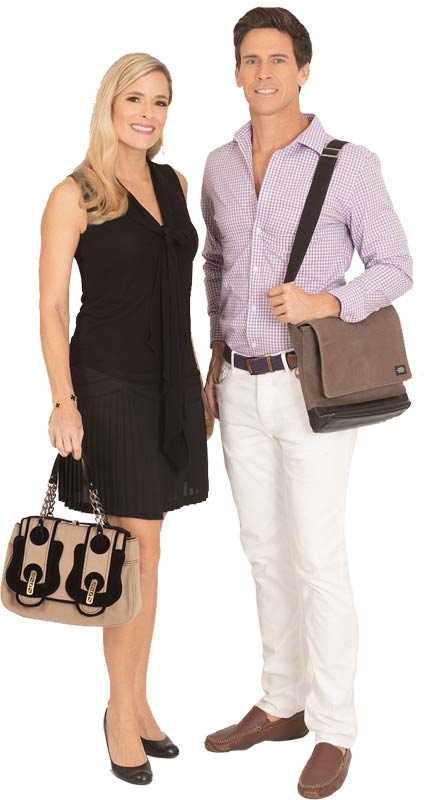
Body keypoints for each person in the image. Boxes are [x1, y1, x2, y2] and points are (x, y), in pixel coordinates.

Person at [201, 6, 412, 797]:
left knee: (319, 557)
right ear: (236, 72)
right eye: (251, 60)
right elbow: (215, 267)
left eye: (278, 60)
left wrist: (327, 302)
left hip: (308, 384)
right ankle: (281, 703)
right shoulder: (219, 165)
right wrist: (211, 364)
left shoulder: (348, 163)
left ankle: (335, 729)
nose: (264, 73)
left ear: (304, 70)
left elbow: (396, 266)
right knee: (262, 550)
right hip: (237, 383)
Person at [38, 52, 213, 786]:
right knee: (134, 544)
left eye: (161, 101)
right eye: (135, 99)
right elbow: (52, 306)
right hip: (107, 384)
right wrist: (63, 399)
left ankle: (136, 702)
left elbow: (180, 292)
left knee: (149, 551)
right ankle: (118, 713)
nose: (148, 114)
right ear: (110, 104)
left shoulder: (174, 184)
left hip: (171, 382)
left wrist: (198, 381)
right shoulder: (75, 193)